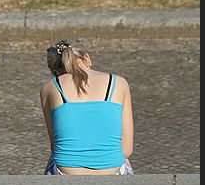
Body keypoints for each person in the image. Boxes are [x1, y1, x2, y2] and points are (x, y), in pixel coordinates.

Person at [40, 39, 134, 175]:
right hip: (112, 172)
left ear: (55, 72)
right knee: (124, 159)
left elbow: (57, 148)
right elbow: (126, 150)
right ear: (87, 58)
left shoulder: (49, 88)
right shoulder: (118, 83)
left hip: (67, 173)